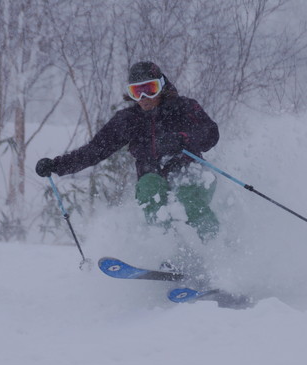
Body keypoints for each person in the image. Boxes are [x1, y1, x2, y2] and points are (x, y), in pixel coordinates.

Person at [36, 61, 220, 242]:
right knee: (149, 190)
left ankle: (214, 247)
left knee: (187, 196)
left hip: (190, 172)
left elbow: (211, 134)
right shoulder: (128, 120)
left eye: (150, 89)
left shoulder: (184, 107)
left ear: (162, 86)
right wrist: (57, 165)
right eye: (136, 92)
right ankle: (170, 251)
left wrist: (182, 138)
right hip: (153, 176)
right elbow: (95, 150)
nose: (143, 98)